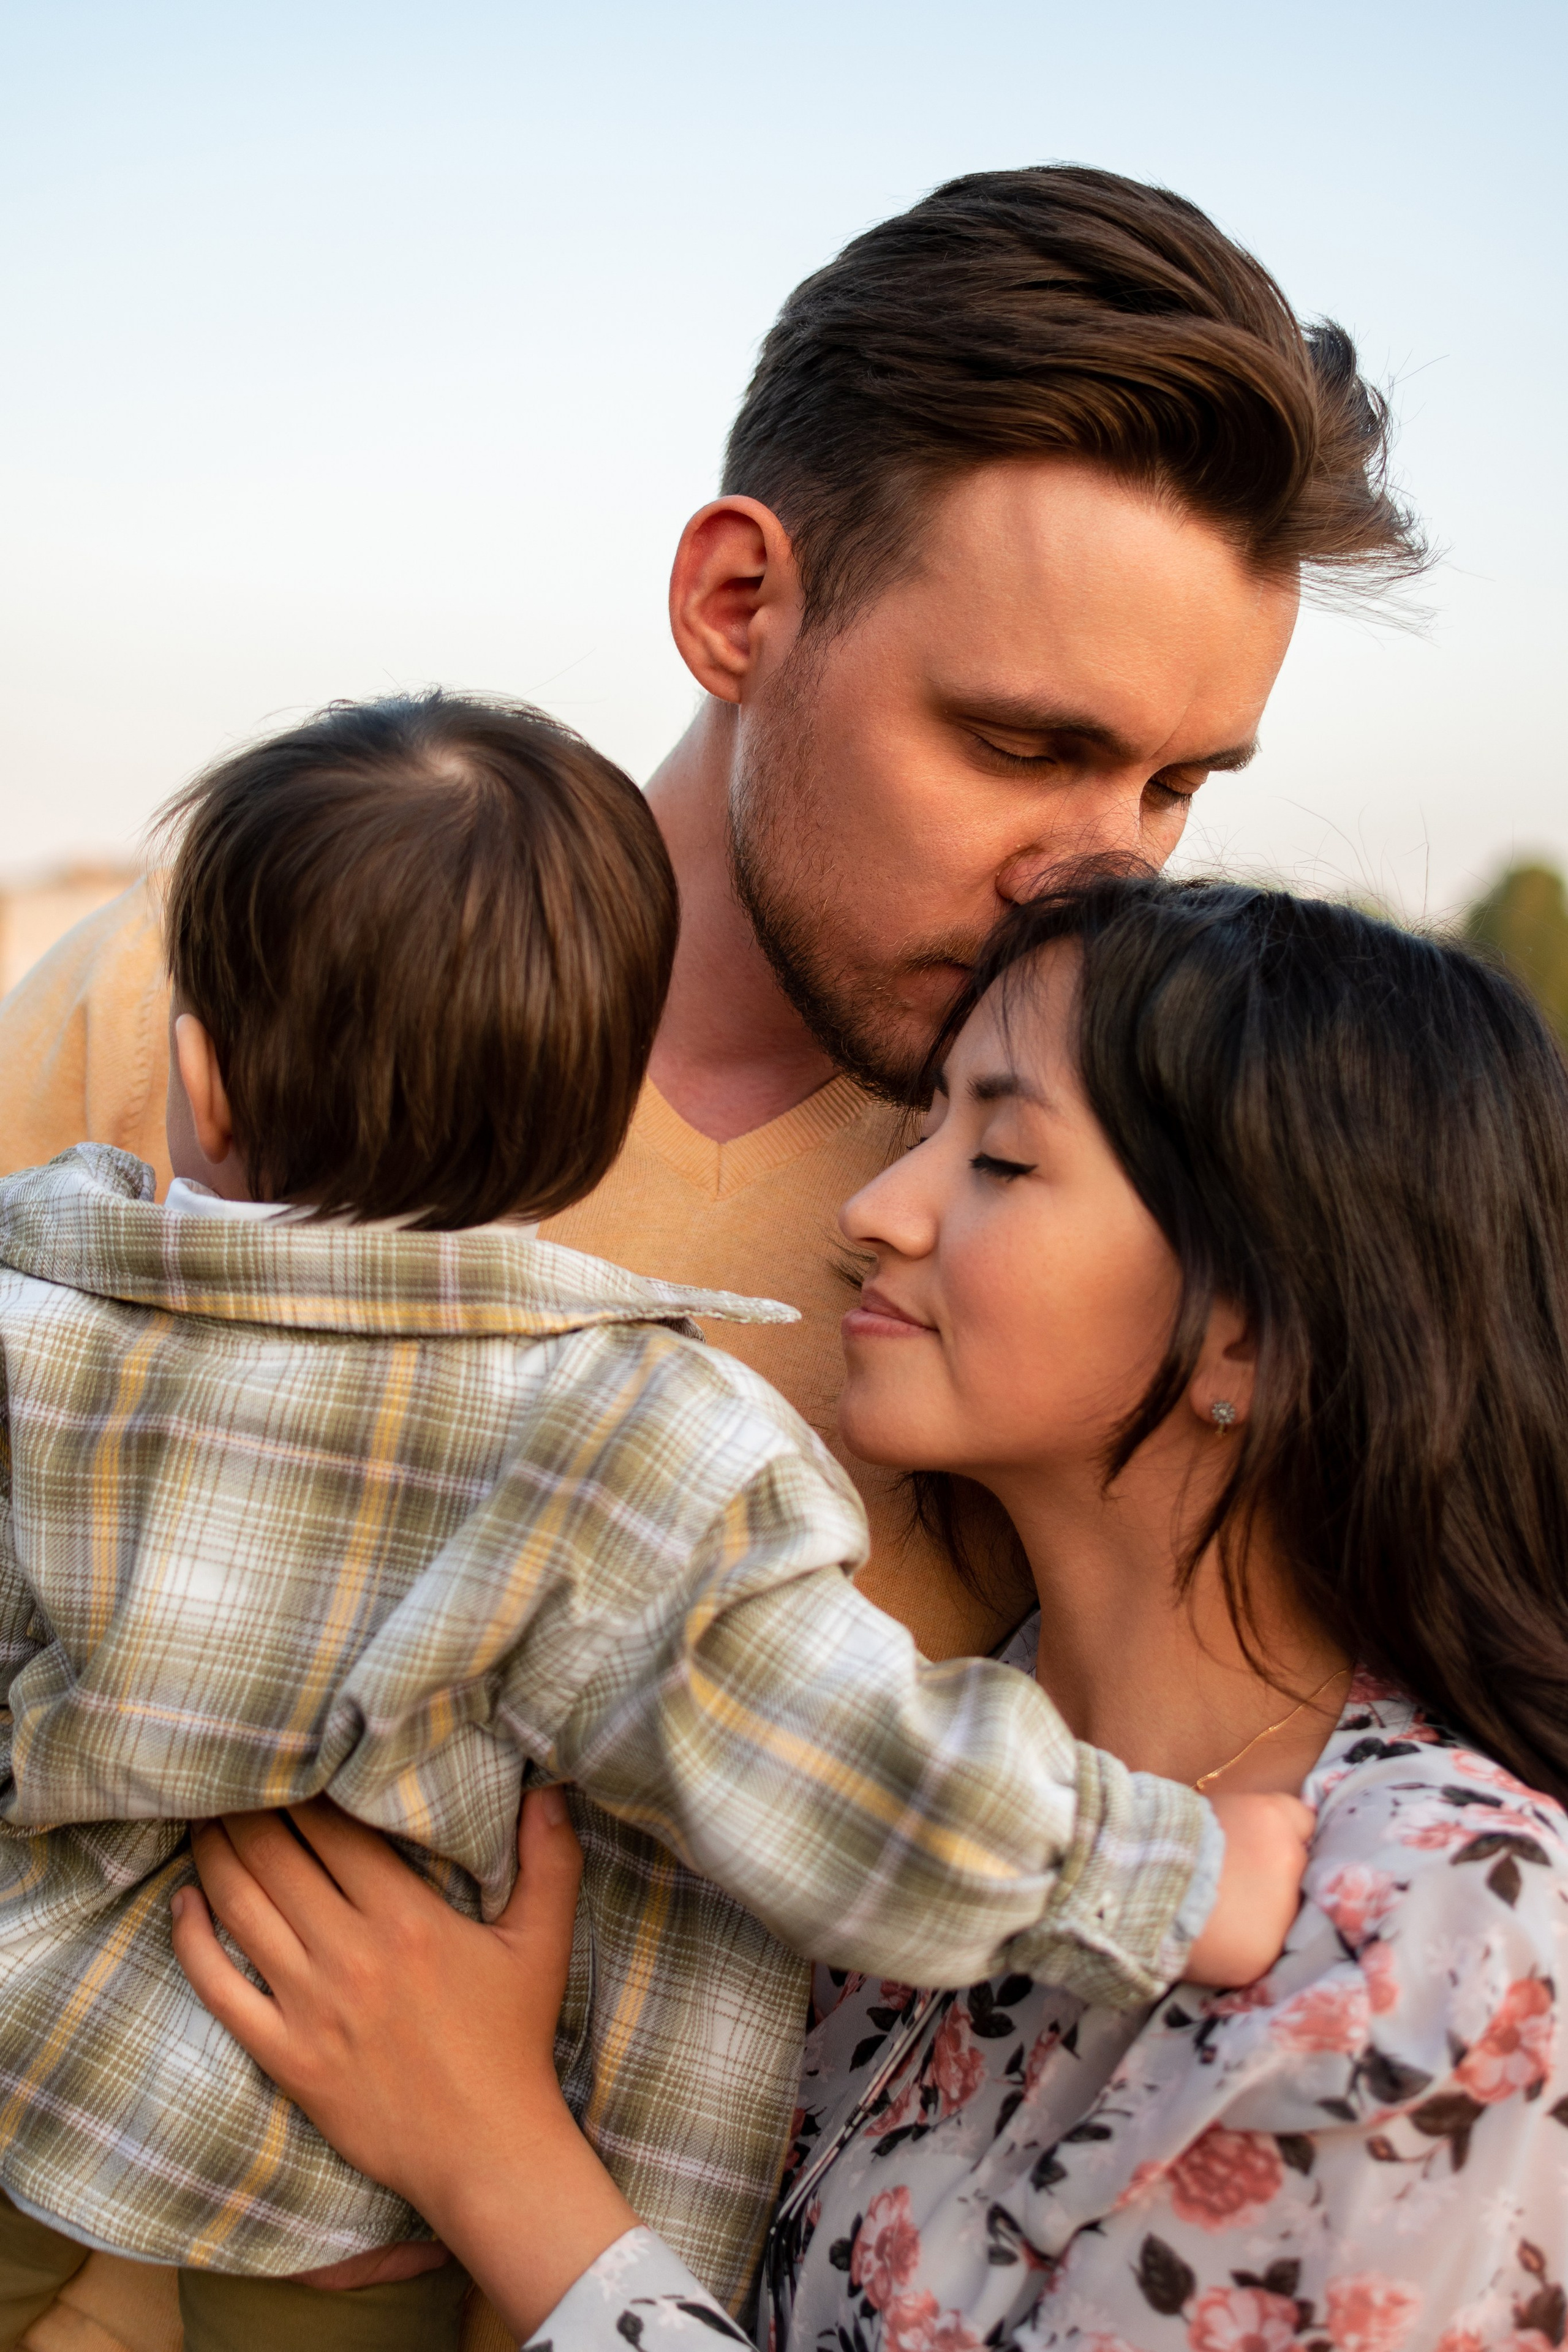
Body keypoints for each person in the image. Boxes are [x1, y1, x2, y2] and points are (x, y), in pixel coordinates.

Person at [0, 165, 1422, 1684]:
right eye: (1020, 747)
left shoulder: (1134, 1201)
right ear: (736, 603)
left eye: (1173, 784)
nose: (1098, 876)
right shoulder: (223, 986)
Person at [0, 704, 1310, 2352]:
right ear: (593, 1111)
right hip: (337, 2224)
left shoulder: (37, 1319)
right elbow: (846, 1769)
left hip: (52, 2105)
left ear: (197, 1082)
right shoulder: (633, 1440)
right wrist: (1170, 1871)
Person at [174, 875, 1568, 2352]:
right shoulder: (893, 1733)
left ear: (1247, 1327)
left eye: (1002, 1158)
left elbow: (483, 2121)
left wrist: (487, 2162)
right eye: (923, 1132)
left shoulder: (1445, 1932)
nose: (869, 1211)